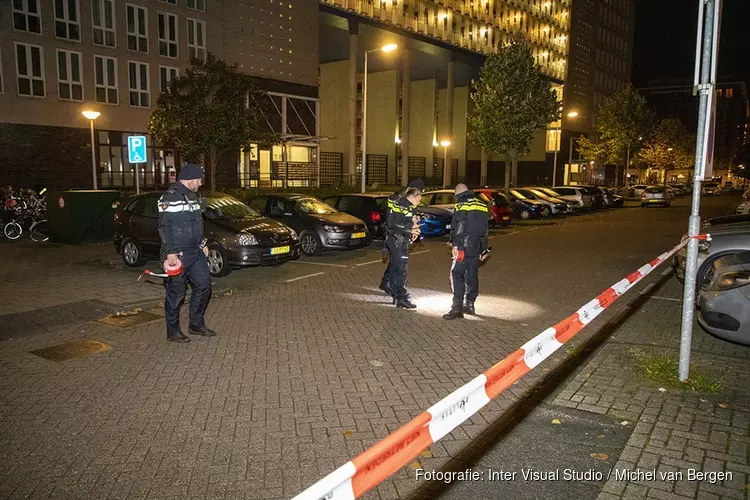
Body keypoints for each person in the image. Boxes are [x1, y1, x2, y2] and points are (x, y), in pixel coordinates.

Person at [158, 163, 216, 342]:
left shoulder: (192, 197)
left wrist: (203, 242)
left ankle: (196, 325)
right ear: (190, 179)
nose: (200, 183)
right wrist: (170, 252)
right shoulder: (169, 197)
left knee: (204, 285)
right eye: (198, 180)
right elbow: (164, 226)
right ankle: (173, 331)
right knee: (176, 294)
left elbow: (197, 224)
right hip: (177, 254)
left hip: (195, 251)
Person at [444, 183, 489, 320]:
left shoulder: (461, 204)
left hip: (463, 246)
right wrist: (484, 249)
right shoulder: (482, 204)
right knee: (472, 274)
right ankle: (470, 303)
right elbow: (485, 229)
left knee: (457, 273)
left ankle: (457, 308)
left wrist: (455, 244)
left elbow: (459, 225)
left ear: (457, 194)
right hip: (476, 246)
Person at [379, 179, 425, 297]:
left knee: (395, 260)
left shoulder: (405, 197)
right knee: (398, 263)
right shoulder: (399, 199)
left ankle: (388, 284)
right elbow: (395, 219)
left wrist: (414, 225)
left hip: (399, 233)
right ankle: (392, 287)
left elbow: (412, 214)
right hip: (396, 233)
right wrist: (410, 228)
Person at [385, 186, 422, 309]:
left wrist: (414, 227)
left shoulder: (409, 206)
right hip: (396, 240)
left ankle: (397, 295)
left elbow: (408, 220)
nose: (419, 202)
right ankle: (401, 297)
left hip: (401, 240)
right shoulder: (401, 205)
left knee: (398, 269)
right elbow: (393, 224)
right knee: (401, 270)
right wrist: (410, 228)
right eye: (418, 199)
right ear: (413, 196)